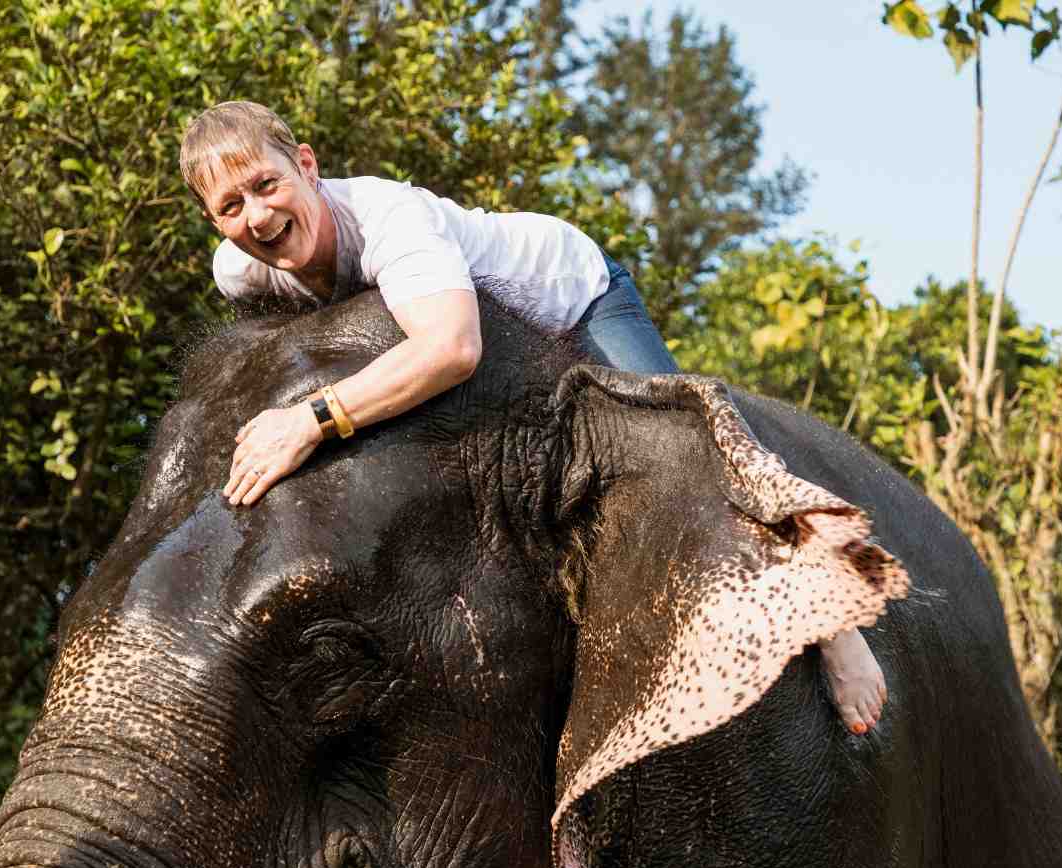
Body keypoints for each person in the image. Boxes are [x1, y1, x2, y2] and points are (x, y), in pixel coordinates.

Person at [178, 100, 886, 736]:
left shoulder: (392, 221)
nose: (259, 218)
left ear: (305, 165)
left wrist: (310, 421)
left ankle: (832, 621)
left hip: (573, 304)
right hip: (496, 365)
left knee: (688, 445)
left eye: (268, 186)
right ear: (212, 220)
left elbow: (450, 348)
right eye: (231, 206)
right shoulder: (239, 271)